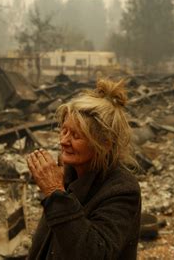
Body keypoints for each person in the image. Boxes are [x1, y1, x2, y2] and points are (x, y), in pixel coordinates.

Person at [26, 78, 142, 260]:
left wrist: (55, 193)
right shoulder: (69, 172)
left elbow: (95, 254)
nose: (63, 141)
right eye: (64, 131)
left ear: (104, 143)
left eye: (76, 135)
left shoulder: (122, 190)